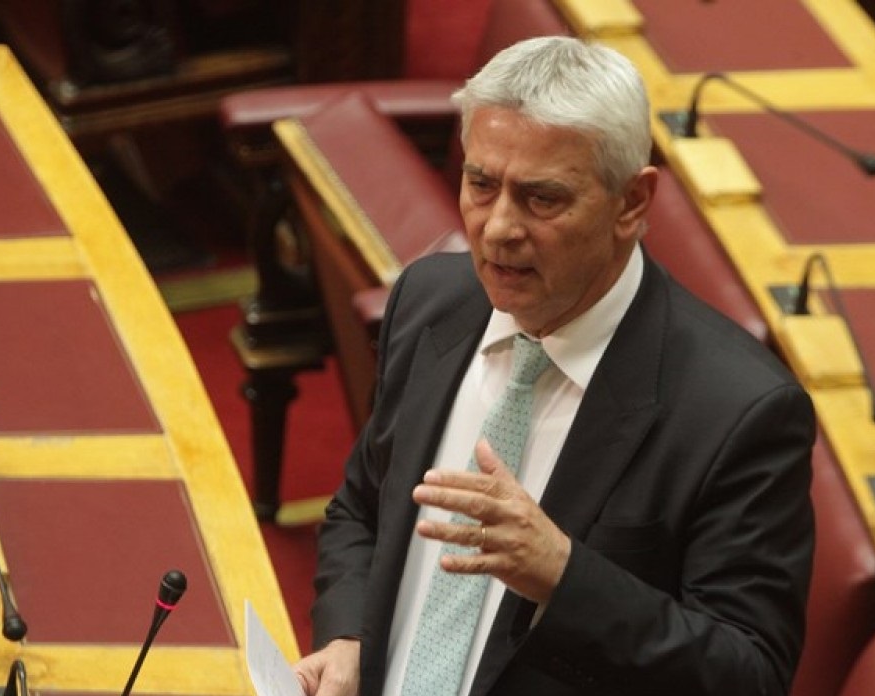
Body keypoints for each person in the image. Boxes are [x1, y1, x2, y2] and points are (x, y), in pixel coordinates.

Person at [292, 36, 816, 696]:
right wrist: (349, 636)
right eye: (481, 185)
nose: (497, 228)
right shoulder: (428, 302)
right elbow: (362, 508)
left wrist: (565, 577)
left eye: (541, 199)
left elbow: (749, 673)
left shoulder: (737, 410)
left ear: (632, 202)